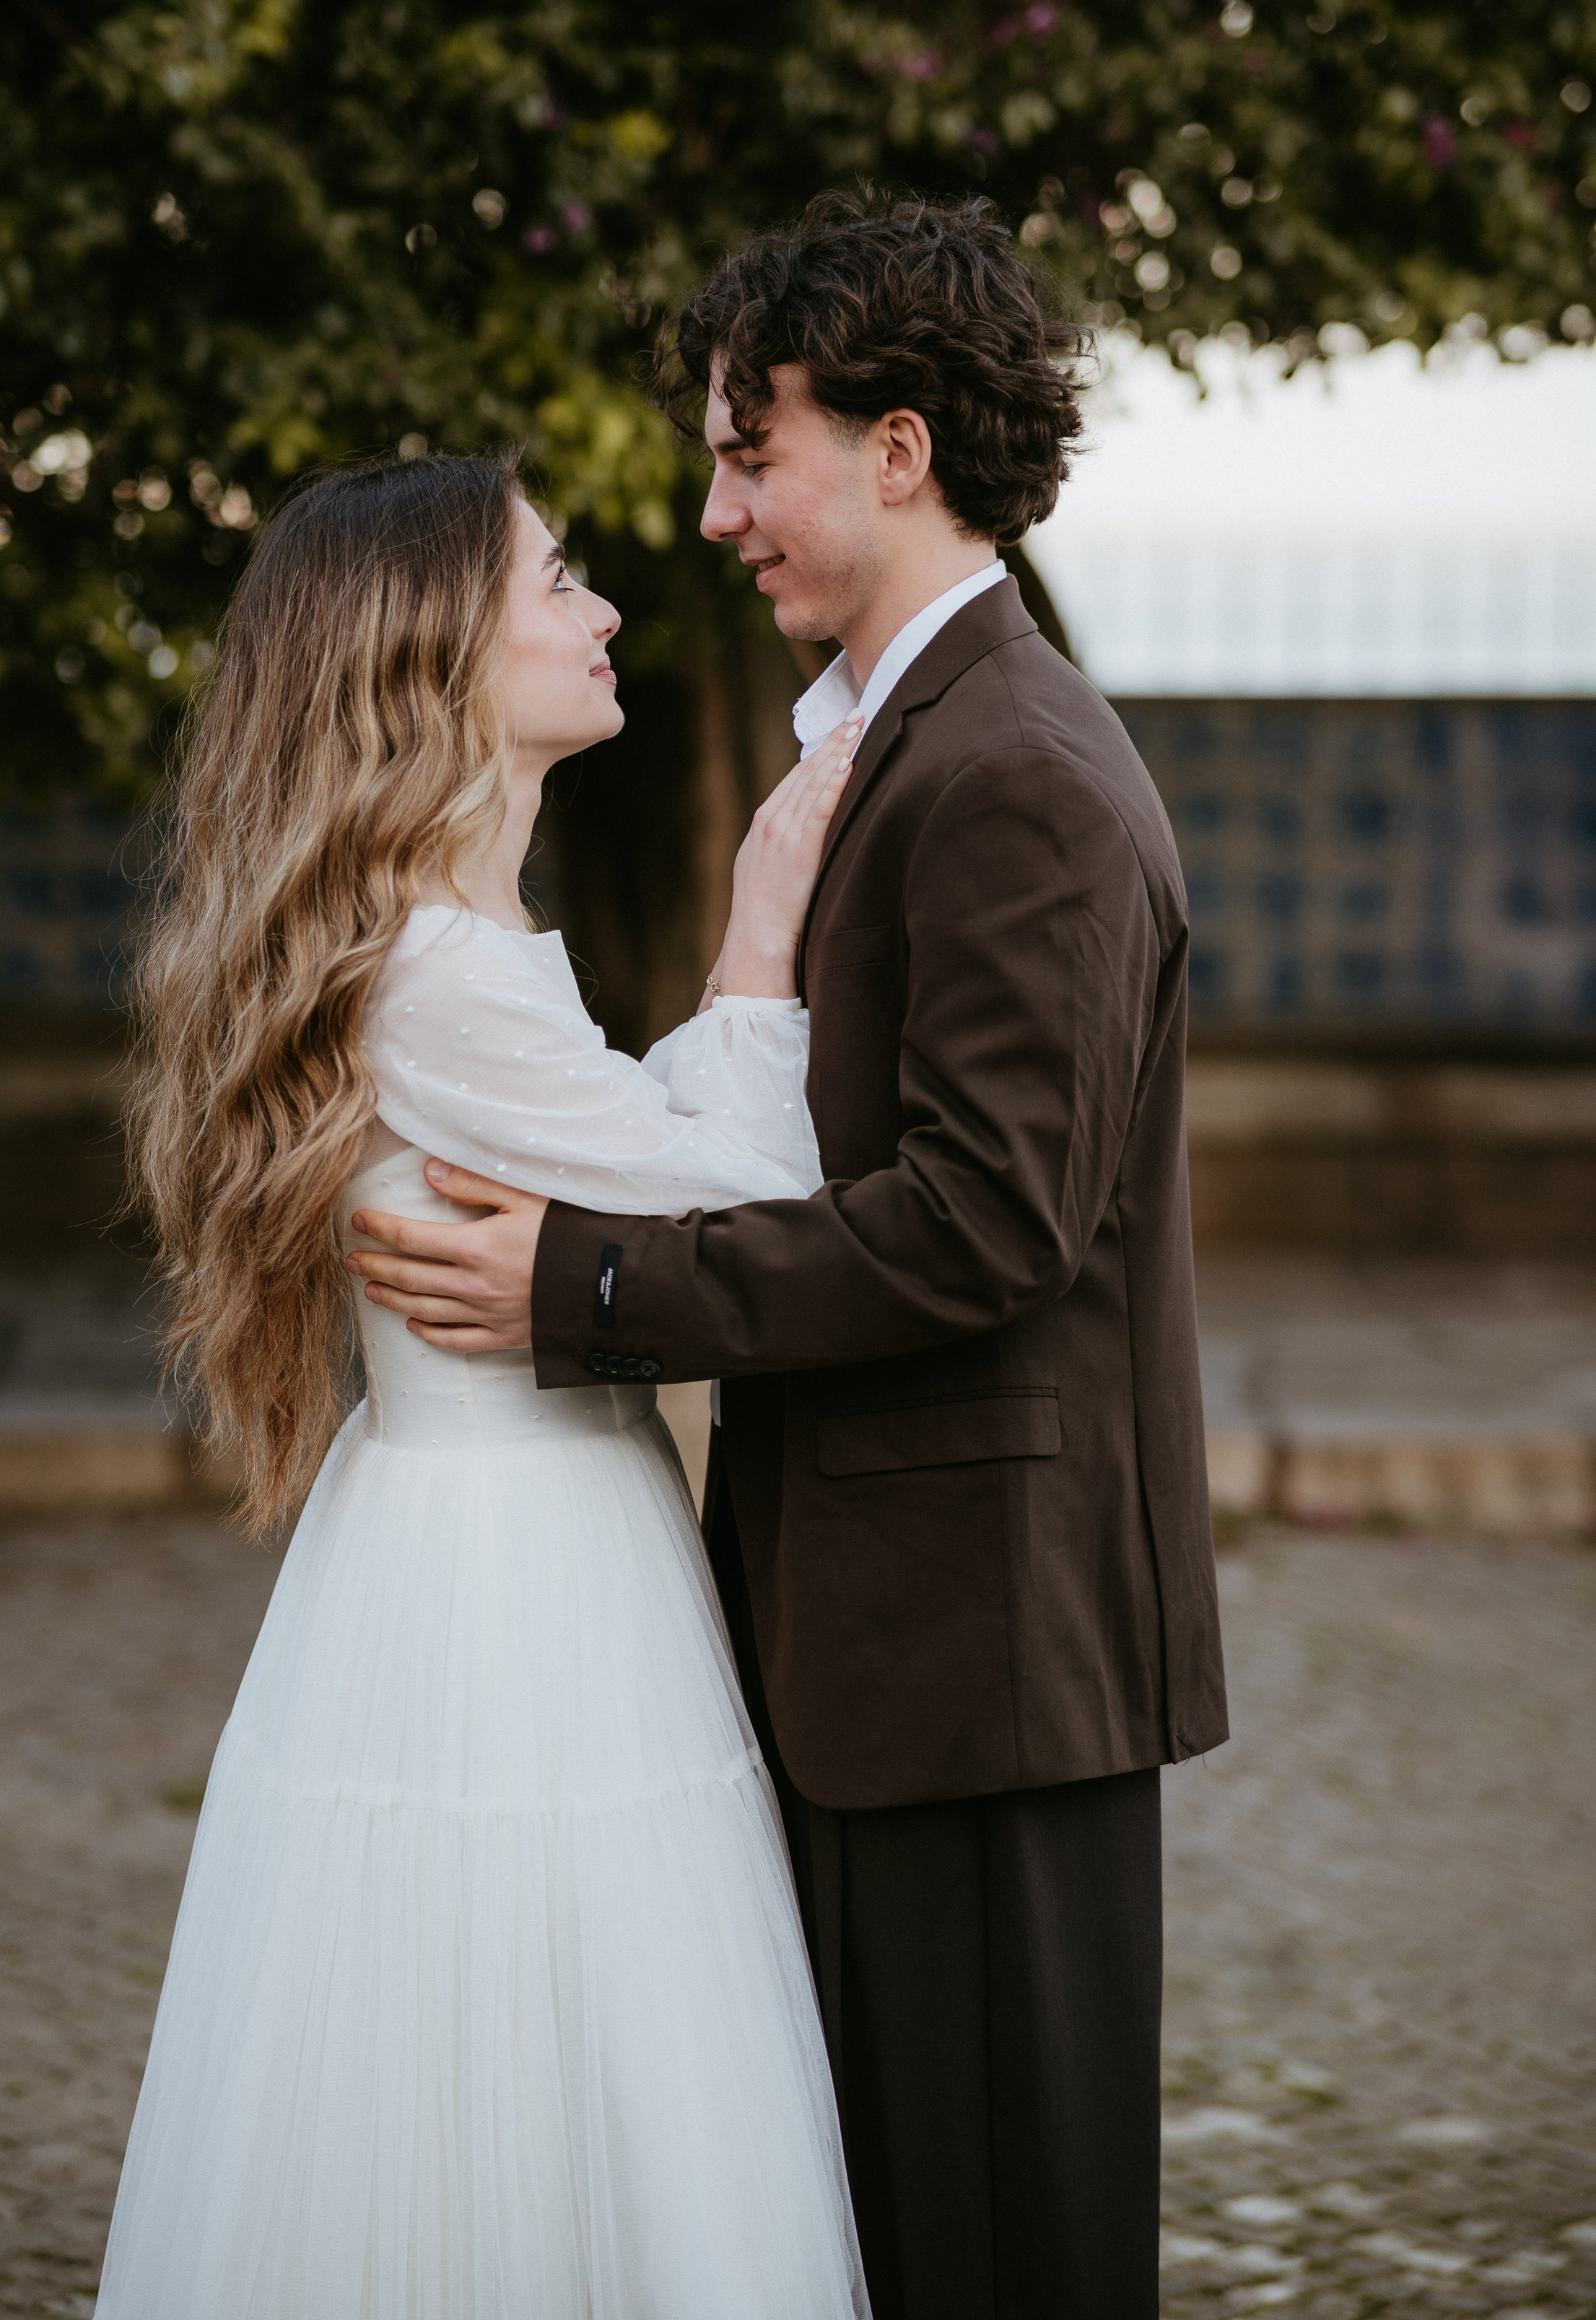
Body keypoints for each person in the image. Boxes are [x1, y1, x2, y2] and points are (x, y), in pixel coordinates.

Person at [348, 193, 1231, 2320]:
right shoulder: (889, 749)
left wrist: (589, 1293)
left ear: (898, 451)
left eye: (754, 451)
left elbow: (988, 1221)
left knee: (994, 2243)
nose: (716, 509)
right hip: (879, 1649)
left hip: (982, 1666)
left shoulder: (1013, 769)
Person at [96, 452, 872, 2319]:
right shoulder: (443, 975)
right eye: (560, 582)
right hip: (521, 1572)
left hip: (469, 1530)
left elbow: (645, 1154)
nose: (606, 610)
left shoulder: (444, 949)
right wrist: (768, 920)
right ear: (432, 654)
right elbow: (747, 1189)